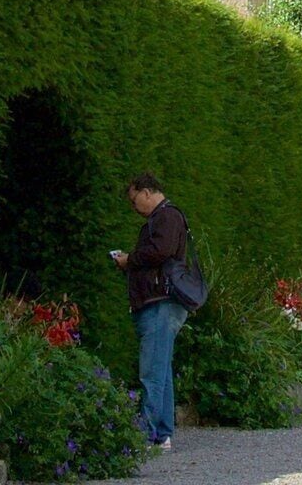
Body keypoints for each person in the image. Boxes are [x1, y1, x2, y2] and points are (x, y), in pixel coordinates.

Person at [111, 171, 192, 450]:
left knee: (151, 373)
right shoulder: (163, 218)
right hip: (162, 303)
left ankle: (145, 436)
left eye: (135, 201)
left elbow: (161, 251)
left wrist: (129, 259)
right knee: (161, 370)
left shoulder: (166, 216)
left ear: (147, 192)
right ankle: (162, 434)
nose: (135, 208)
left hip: (160, 303)